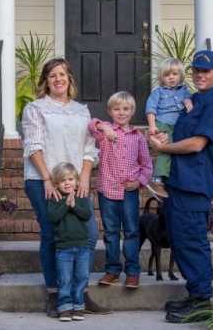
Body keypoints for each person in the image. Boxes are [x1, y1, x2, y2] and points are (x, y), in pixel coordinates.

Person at [21, 58, 109, 317]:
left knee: (89, 234)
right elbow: (33, 146)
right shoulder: (35, 109)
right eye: (52, 76)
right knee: (52, 235)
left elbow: (89, 147)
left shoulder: (82, 111)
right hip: (43, 181)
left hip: (75, 181)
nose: (58, 79)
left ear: (70, 79)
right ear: (45, 82)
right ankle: (55, 294)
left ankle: (79, 293)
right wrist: (48, 179)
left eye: (62, 75)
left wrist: (84, 177)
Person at [148, 50, 213, 324]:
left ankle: (203, 300)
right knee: (181, 241)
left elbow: (197, 143)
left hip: (195, 185)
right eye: (196, 70)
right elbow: (174, 128)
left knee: (192, 242)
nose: (200, 75)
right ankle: (195, 295)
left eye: (206, 71)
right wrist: (160, 135)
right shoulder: (192, 100)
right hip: (180, 183)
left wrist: (164, 148)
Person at [88, 92, 153, 289]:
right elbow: (90, 124)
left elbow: (147, 165)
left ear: (132, 111)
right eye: (116, 109)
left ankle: (133, 271)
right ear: (110, 111)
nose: (121, 113)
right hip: (107, 189)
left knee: (132, 231)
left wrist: (139, 182)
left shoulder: (138, 137)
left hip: (129, 191)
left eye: (126, 109)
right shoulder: (104, 134)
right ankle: (112, 270)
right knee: (111, 231)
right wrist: (104, 126)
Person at [47, 163, 93, 322]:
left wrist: (74, 205)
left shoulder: (81, 196)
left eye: (70, 179)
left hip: (82, 246)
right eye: (62, 180)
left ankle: (78, 306)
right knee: (65, 278)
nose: (67, 183)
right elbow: (53, 218)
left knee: (81, 276)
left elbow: (86, 214)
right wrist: (66, 206)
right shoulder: (55, 199)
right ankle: (65, 308)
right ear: (56, 184)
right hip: (63, 248)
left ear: (77, 181)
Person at [145, 58, 193, 194]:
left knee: (180, 148)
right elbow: (151, 109)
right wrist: (152, 126)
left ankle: (173, 177)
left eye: (174, 74)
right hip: (163, 123)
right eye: (167, 75)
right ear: (161, 77)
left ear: (181, 75)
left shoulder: (184, 91)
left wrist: (189, 103)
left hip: (178, 125)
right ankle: (157, 179)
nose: (171, 77)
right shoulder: (158, 92)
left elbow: (188, 101)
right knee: (166, 149)